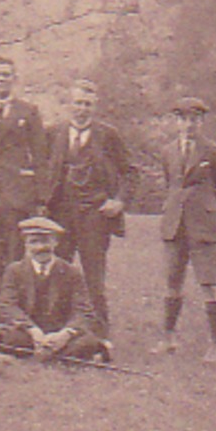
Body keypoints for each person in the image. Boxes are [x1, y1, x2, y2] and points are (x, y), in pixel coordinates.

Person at [45, 79, 131, 337]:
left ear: (95, 107)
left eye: (87, 104)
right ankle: (56, 331)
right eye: (77, 103)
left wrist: (119, 200)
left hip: (94, 216)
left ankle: (100, 337)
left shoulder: (108, 135)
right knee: (57, 272)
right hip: (60, 215)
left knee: (94, 279)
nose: (81, 109)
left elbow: (131, 172)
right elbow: (40, 172)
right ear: (68, 105)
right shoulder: (53, 133)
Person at [0, 55, 50, 321]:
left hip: (16, 199)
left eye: (6, 74)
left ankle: (18, 321)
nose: (2, 79)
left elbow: (40, 157)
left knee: (15, 263)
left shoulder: (28, 112)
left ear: (14, 79)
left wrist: (40, 199)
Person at [156, 95, 216, 362]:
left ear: (202, 122)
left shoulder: (214, 152)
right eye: (184, 119)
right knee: (172, 283)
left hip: (203, 227)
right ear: (176, 122)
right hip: (174, 225)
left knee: (209, 284)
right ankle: (168, 337)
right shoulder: (167, 151)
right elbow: (171, 183)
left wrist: (206, 209)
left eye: (194, 120)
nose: (189, 125)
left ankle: (215, 344)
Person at [0, 216, 110, 363]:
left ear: (55, 242)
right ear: (26, 244)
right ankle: (62, 357)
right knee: (9, 338)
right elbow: (7, 305)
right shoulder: (15, 270)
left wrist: (65, 334)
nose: (40, 247)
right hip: (28, 334)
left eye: (45, 241)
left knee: (87, 342)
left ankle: (34, 356)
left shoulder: (71, 272)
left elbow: (84, 310)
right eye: (34, 242)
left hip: (61, 333)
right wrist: (32, 330)